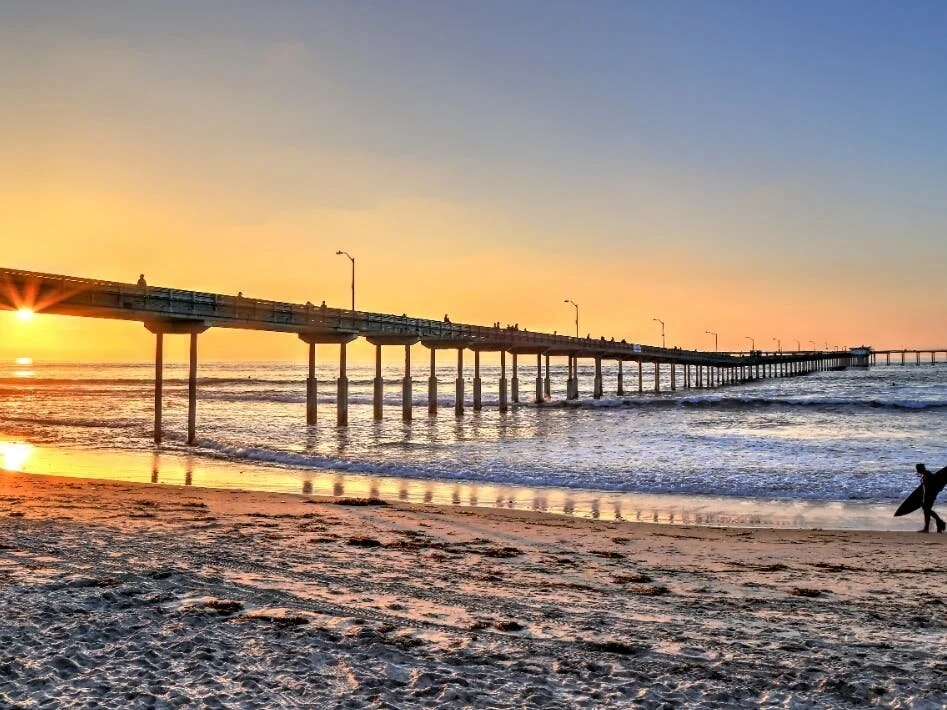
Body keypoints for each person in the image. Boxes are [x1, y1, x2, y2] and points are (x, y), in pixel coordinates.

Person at [916, 464, 946, 533]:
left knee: (927, 510)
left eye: (917, 468)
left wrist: (931, 495)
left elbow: (934, 484)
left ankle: (939, 522)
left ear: (921, 468)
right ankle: (930, 527)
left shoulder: (928, 474)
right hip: (927, 495)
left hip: (930, 495)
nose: (917, 470)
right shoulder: (924, 474)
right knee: (926, 510)